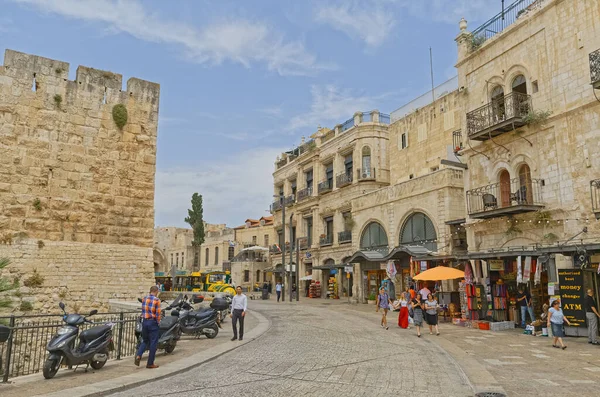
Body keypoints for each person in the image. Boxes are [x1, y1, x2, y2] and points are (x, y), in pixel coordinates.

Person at [134, 286, 161, 369]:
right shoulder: (157, 300)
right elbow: (158, 314)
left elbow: (143, 310)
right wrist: (158, 322)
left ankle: (138, 355)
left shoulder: (144, 299)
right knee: (153, 342)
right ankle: (150, 363)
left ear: (150, 291)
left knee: (145, 340)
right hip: (152, 322)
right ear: (156, 291)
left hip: (145, 322)